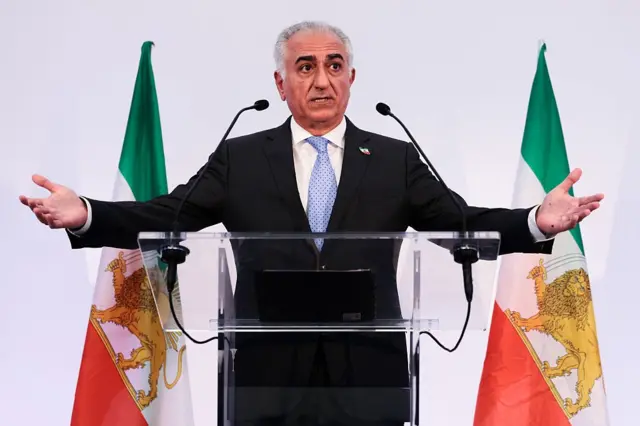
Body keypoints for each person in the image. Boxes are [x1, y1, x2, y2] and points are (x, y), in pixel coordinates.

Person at [20, 21, 603, 426]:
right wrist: (88, 213)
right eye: (305, 67)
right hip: (263, 378)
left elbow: (461, 224)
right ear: (281, 84)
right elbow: (166, 216)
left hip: (370, 378)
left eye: (334, 66)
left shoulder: (393, 159)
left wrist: (536, 221)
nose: (321, 80)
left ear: (351, 78)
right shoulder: (241, 158)